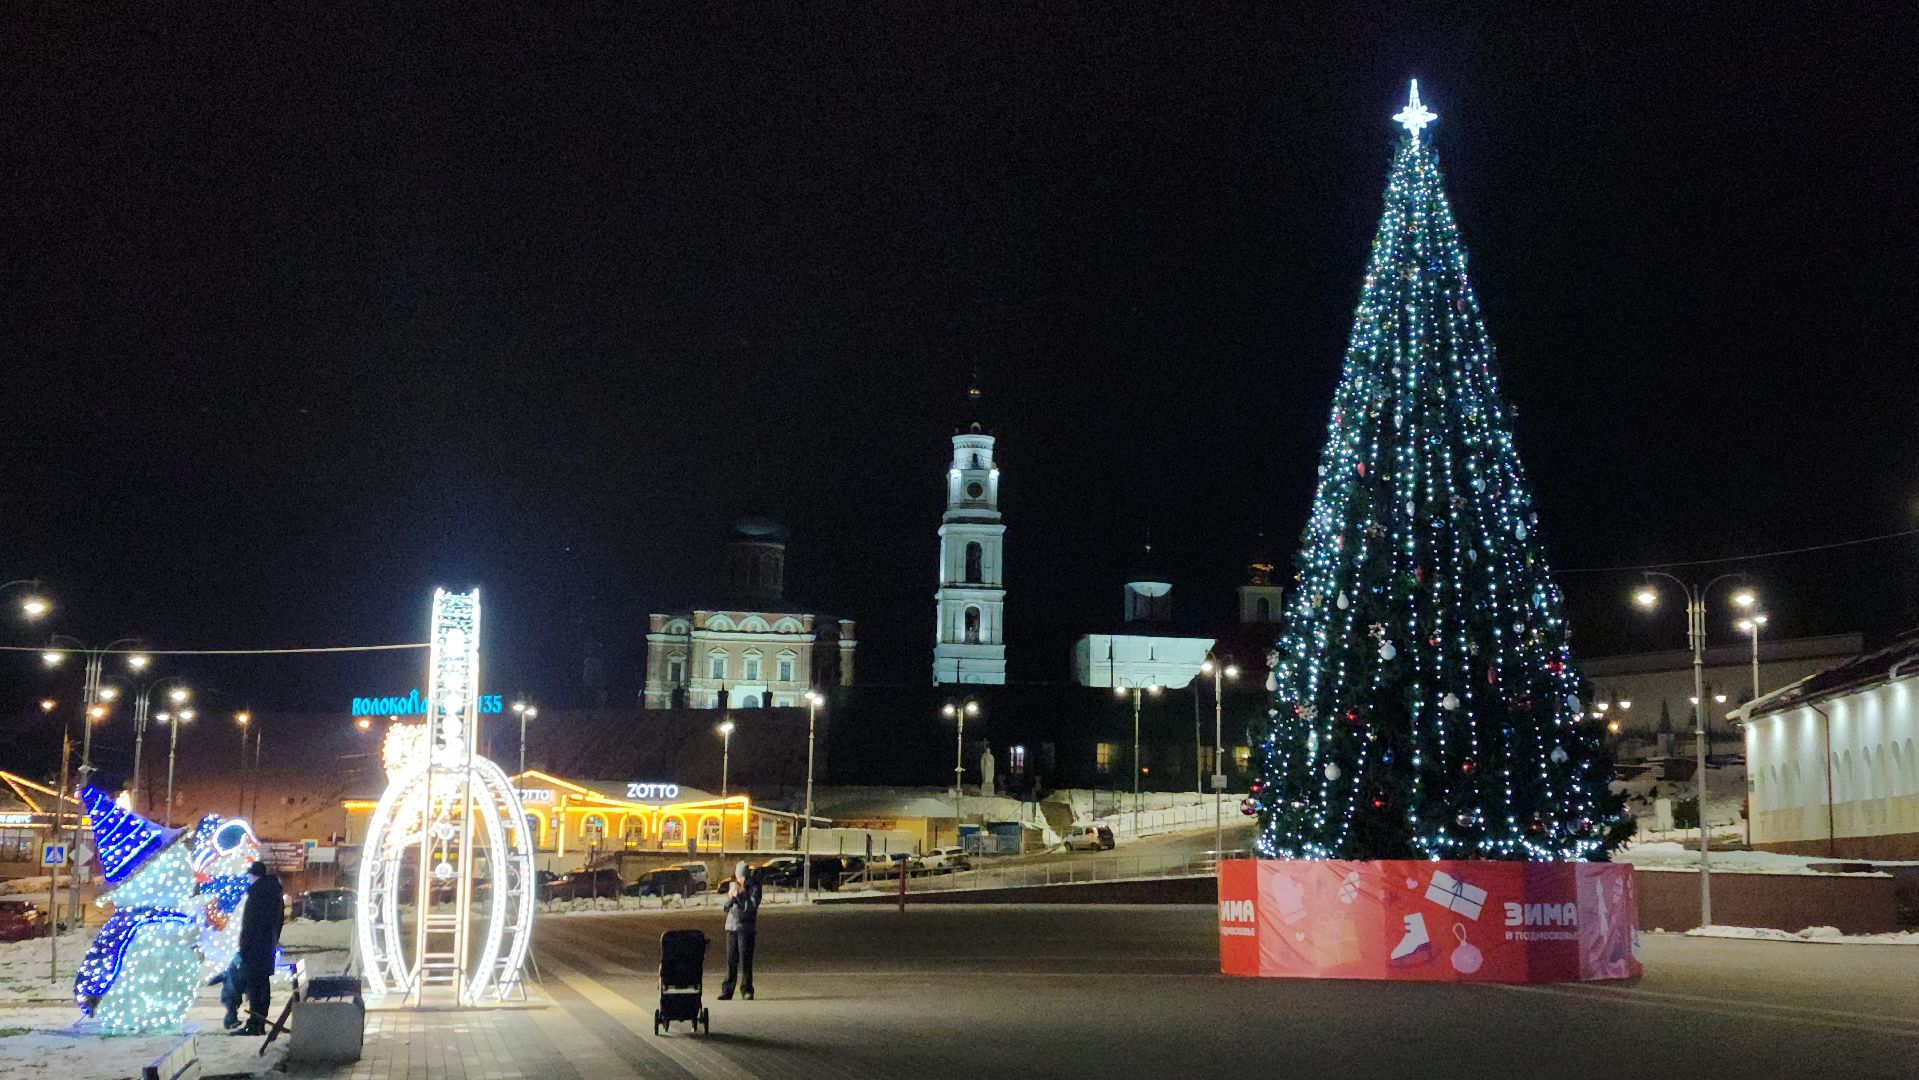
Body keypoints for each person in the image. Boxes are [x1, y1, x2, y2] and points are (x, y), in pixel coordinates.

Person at [232, 860, 284, 1035]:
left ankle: (254, 1024)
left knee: (254, 987)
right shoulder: (274, 893)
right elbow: (278, 922)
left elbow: (249, 925)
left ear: (254, 876)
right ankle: (259, 1022)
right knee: (262, 985)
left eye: (249, 876)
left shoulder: (257, 894)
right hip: (267, 946)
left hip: (254, 948)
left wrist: (244, 948)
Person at [718, 860, 760, 1000]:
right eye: (737, 877)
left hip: (746, 928)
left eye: (741, 877)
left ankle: (747, 989)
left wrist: (740, 896)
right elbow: (727, 906)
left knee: (745, 960)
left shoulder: (754, 887)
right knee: (731, 959)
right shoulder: (733, 885)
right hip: (731, 926)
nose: (739, 879)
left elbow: (750, 908)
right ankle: (727, 989)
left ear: (746, 876)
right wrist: (730, 900)